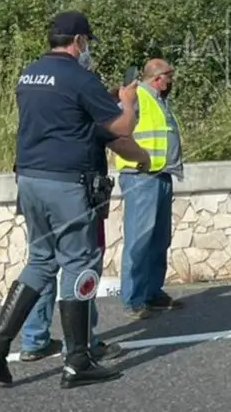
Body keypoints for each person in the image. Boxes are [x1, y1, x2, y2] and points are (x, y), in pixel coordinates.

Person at [0, 11, 140, 389]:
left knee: (40, 261)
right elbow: (121, 127)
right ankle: (78, 360)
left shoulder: (29, 74)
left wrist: (104, 99)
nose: (88, 50)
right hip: (67, 184)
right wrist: (127, 100)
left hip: (30, 179)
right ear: (79, 41)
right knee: (80, 263)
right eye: (88, 43)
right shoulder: (80, 76)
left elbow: (64, 114)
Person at [18, 114, 150, 362]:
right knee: (82, 269)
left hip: (36, 187)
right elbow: (120, 139)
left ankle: (34, 340)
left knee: (41, 263)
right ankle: (82, 342)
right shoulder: (86, 113)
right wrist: (143, 156)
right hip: (77, 197)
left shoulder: (44, 116)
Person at [111, 58, 187, 319]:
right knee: (140, 238)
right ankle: (133, 298)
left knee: (159, 239)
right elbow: (119, 131)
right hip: (141, 175)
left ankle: (152, 292)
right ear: (158, 78)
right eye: (169, 76)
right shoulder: (137, 95)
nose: (171, 81)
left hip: (161, 174)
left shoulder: (157, 99)